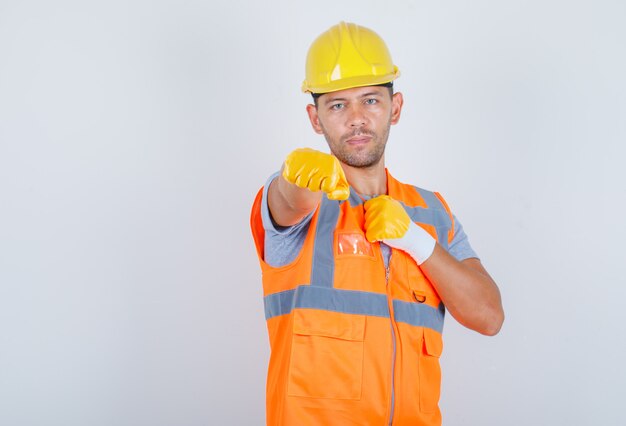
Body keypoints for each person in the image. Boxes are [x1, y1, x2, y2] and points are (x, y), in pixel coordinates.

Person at [250, 21, 504, 426]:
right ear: (315, 119)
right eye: (337, 105)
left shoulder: (432, 213)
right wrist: (292, 178)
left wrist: (417, 241)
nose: (356, 119)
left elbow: (489, 317)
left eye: (370, 100)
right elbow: (287, 201)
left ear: (395, 107)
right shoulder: (302, 202)